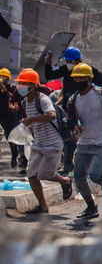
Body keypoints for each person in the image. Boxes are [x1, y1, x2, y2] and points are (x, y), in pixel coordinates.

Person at [66, 62, 102, 219]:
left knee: (95, 175)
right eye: (75, 78)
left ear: (89, 79)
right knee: (78, 176)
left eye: (81, 78)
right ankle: (91, 207)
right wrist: (74, 126)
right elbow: (69, 119)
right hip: (84, 142)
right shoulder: (73, 99)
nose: (78, 81)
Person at [14, 68, 73, 213]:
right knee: (32, 176)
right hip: (38, 143)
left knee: (44, 175)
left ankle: (65, 181)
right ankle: (43, 206)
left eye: (24, 83)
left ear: (33, 85)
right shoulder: (25, 102)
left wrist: (31, 120)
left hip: (52, 144)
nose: (20, 86)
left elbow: (51, 115)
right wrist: (28, 128)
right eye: (20, 83)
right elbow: (36, 122)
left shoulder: (42, 99)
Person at [44, 46, 102, 175]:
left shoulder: (87, 70)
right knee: (68, 133)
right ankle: (68, 161)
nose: (69, 64)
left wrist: (90, 73)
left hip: (85, 106)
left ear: (79, 60)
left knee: (82, 134)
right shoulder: (66, 70)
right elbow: (50, 75)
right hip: (70, 106)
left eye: (71, 61)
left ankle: (88, 161)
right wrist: (48, 62)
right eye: (67, 61)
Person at [0, 68, 26, 172]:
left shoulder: (12, 88)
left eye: (4, 77)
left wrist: (5, 90)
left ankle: (15, 157)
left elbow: (13, 98)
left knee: (11, 137)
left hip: (9, 116)